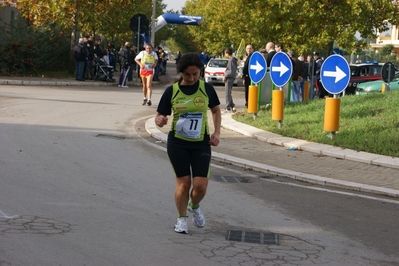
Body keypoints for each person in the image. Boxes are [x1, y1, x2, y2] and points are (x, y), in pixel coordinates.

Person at [155, 52, 221, 234]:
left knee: (200, 186)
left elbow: (216, 110)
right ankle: (182, 219)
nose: (191, 78)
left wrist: (216, 132)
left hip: (201, 143)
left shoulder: (206, 89)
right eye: (187, 75)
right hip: (177, 143)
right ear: (181, 74)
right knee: (183, 184)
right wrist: (159, 120)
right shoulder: (172, 91)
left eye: (195, 74)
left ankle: (194, 205)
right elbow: (160, 115)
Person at [222, 47, 238, 112]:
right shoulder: (233, 60)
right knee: (228, 92)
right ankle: (232, 105)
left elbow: (230, 71)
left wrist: (225, 76)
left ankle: (227, 107)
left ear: (227, 53)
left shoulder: (231, 60)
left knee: (227, 93)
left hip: (229, 78)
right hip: (232, 77)